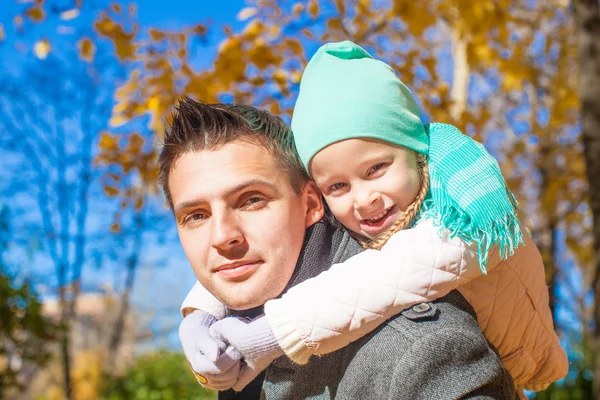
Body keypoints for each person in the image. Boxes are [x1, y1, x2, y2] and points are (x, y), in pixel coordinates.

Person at [181, 41, 568, 394]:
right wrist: (201, 316)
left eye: (376, 169)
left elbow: (385, 278)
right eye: (337, 187)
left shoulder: (464, 204)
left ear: (415, 151)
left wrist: (269, 335)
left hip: (523, 356)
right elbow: (264, 246)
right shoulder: (357, 213)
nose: (364, 200)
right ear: (319, 197)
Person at [161, 98, 517, 398]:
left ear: (312, 204)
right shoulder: (232, 340)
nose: (222, 236)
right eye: (196, 216)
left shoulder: (419, 349)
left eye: (251, 200)